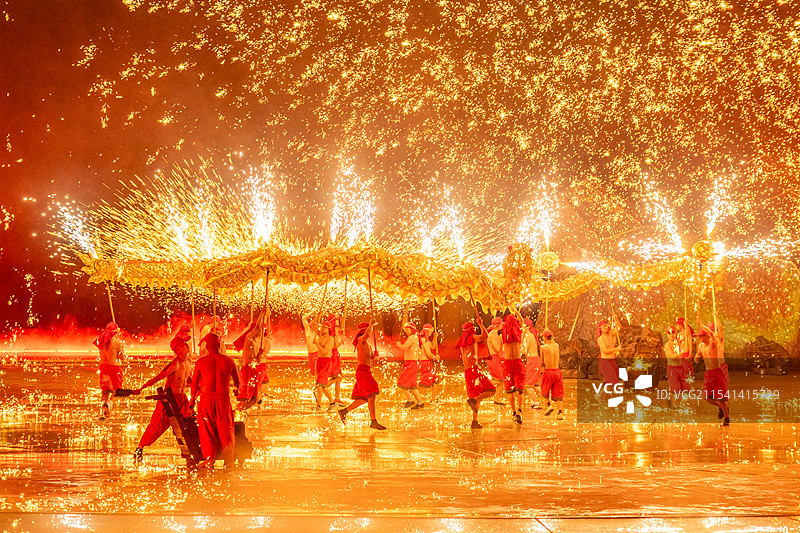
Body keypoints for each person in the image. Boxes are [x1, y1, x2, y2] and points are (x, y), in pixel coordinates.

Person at [132, 325, 193, 461]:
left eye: (186, 346)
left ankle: (191, 449)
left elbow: (190, 379)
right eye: (183, 346)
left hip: (182, 399)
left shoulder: (188, 362)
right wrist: (141, 388)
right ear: (177, 350)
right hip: (170, 399)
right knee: (157, 425)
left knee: (190, 421)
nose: (187, 348)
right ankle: (140, 447)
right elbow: (157, 378)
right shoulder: (174, 364)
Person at [189, 332, 240, 468]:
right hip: (223, 398)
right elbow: (238, 384)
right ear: (219, 344)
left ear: (206, 346)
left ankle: (210, 459)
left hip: (206, 398)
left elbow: (194, 384)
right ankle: (228, 459)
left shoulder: (200, 362)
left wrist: (192, 400)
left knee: (207, 428)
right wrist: (237, 392)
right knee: (226, 429)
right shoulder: (229, 361)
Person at [337, 322, 386, 430]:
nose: (371, 331)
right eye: (369, 329)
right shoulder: (361, 340)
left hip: (366, 370)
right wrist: (371, 324)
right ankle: (373, 421)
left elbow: (369, 358)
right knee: (372, 393)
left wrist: (374, 356)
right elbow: (368, 334)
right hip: (362, 371)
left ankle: (344, 411)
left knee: (364, 398)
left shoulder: (367, 343)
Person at [458, 304, 496, 429]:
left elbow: (469, 357)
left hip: (467, 371)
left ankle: (474, 421)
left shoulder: (463, 342)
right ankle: (474, 401)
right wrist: (481, 324)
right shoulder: (472, 337)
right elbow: (485, 336)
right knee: (491, 390)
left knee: (475, 396)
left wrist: (482, 358)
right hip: (474, 370)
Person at [695, 315, 730, 426]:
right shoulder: (701, 346)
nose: (700, 338)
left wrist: (701, 324)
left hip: (717, 372)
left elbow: (713, 334)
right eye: (699, 336)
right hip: (708, 373)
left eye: (702, 336)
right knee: (707, 398)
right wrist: (696, 358)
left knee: (721, 397)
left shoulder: (713, 343)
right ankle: (722, 408)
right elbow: (698, 357)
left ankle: (727, 417)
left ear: (707, 336)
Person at [235, 310, 270, 411]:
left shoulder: (258, 342)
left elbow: (259, 360)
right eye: (260, 329)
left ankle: (240, 411)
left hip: (254, 369)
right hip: (247, 370)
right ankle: (237, 412)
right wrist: (263, 314)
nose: (262, 330)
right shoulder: (249, 338)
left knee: (253, 399)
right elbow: (258, 326)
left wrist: (260, 354)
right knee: (245, 398)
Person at [94, 322, 125, 420]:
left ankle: (103, 412)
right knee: (117, 391)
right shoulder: (118, 343)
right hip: (114, 367)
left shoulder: (101, 342)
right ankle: (109, 403)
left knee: (105, 392)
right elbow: (122, 358)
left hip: (103, 367)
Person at [502, 314, 526, 424]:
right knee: (519, 388)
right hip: (517, 361)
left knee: (510, 389)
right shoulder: (519, 335)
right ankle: (519, 410)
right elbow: (521, 322)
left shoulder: (503, 334)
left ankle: (513, 411)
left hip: (507, 363)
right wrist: (516, 311)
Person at [396, 321, 424, 409]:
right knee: (412, 386)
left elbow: (404, 347)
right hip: (413, 363)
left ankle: (410, 400)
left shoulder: (412, 337)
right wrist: (404, 320)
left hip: (411, 363)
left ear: (412, 330)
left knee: (401, 384)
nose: (406, 332)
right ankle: (420, 403)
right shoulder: (415, 337)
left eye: (408, 330)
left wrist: (398, 344)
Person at [539, 329, 565, 420]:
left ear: (545, 337)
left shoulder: (543, 347)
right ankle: (560, 413)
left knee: (544, 390)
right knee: (558, 392)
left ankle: (549, 405)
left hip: (549, 371)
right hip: (557, 371)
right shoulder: (556, 345)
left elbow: (541, 360)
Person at [314, 320, 339, 411]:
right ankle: (332, 403)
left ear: (328, 330)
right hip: (319, 361)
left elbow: (324, 352)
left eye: (324, 327)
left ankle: (318, 405)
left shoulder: (330, 339)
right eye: (322, 327)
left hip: (326, 362)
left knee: (319, 384)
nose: (322, 328)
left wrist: (317, 343)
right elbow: (313, 326)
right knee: (323, 386)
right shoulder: (320, 337)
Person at [664, 326, 689, 408]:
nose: (671, 335)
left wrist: (685, 325)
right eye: (669, 333)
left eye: (673, 332)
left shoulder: (679, 342)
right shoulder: (667, 345)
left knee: (684, 388)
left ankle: (677, 404)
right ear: (667, 335)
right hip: (672, 369)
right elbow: (671, 356)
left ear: (676, 333)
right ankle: (670, 400)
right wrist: (682, 353)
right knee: (676, 390)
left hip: (681, 368)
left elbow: (687, 334)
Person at [596, 319, 621, 405]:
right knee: (610, 381)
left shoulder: (610, 335)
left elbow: (618, 328)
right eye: (604, 326)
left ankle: (602, 396)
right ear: (600, 329)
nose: (606, 327)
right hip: (606, 361)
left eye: (606, 325)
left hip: (612, 360)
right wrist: (616, 349)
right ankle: (600, 396)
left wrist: (616, 318)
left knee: (613, 380)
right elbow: (605, 350)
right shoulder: (600, 339)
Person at [522, 319, 544, 409]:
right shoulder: (529, 335)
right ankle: (550, 398)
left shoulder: (528, 336)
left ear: (526, 327)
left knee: (527, 384)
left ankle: (536, 403)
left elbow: (524, 351)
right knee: (534, 385)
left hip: (532, 361)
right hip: (534, 360)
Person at [301, 314, 322, 408]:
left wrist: (318, 318)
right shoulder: (308, 331)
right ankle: (318, 389)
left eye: (315, 325)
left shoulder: (320, 333)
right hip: (310, 354)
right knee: (314, 374)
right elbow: (303, 318)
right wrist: (313, 313)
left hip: (317, 354)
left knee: (317, 376)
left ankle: (319, 401)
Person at [485, 317, 506, 405]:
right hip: (493, 358)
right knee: (500, 380)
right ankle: (480, 384)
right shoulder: (493, 334)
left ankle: (497, 400)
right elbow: (498, 349)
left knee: (501, 380)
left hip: (495, 358)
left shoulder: (495, 333)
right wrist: (502, 339)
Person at [418, 323, 440, 402]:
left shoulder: (424, 340)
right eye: (430, 331)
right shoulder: (424, 341)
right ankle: (412, 391)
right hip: (425, 363)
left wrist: (435, 337)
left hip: (425, 363)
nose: (431, 333)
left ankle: (433, 399)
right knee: (426, 382)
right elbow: (428, 354)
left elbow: (433, 347)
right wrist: (435, 357)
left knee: (435, 380)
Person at [326, 313, 345, 407]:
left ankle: (337, 398)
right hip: (333, 356)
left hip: (333, 355)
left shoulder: (331, 330)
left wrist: (344, 319)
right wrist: (342, 341)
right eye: (336, 321)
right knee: (337, 377)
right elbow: (334, 346)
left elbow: (341, 328)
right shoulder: (332, 333)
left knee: (338, 377)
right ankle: (321, 387)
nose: (338, 324)